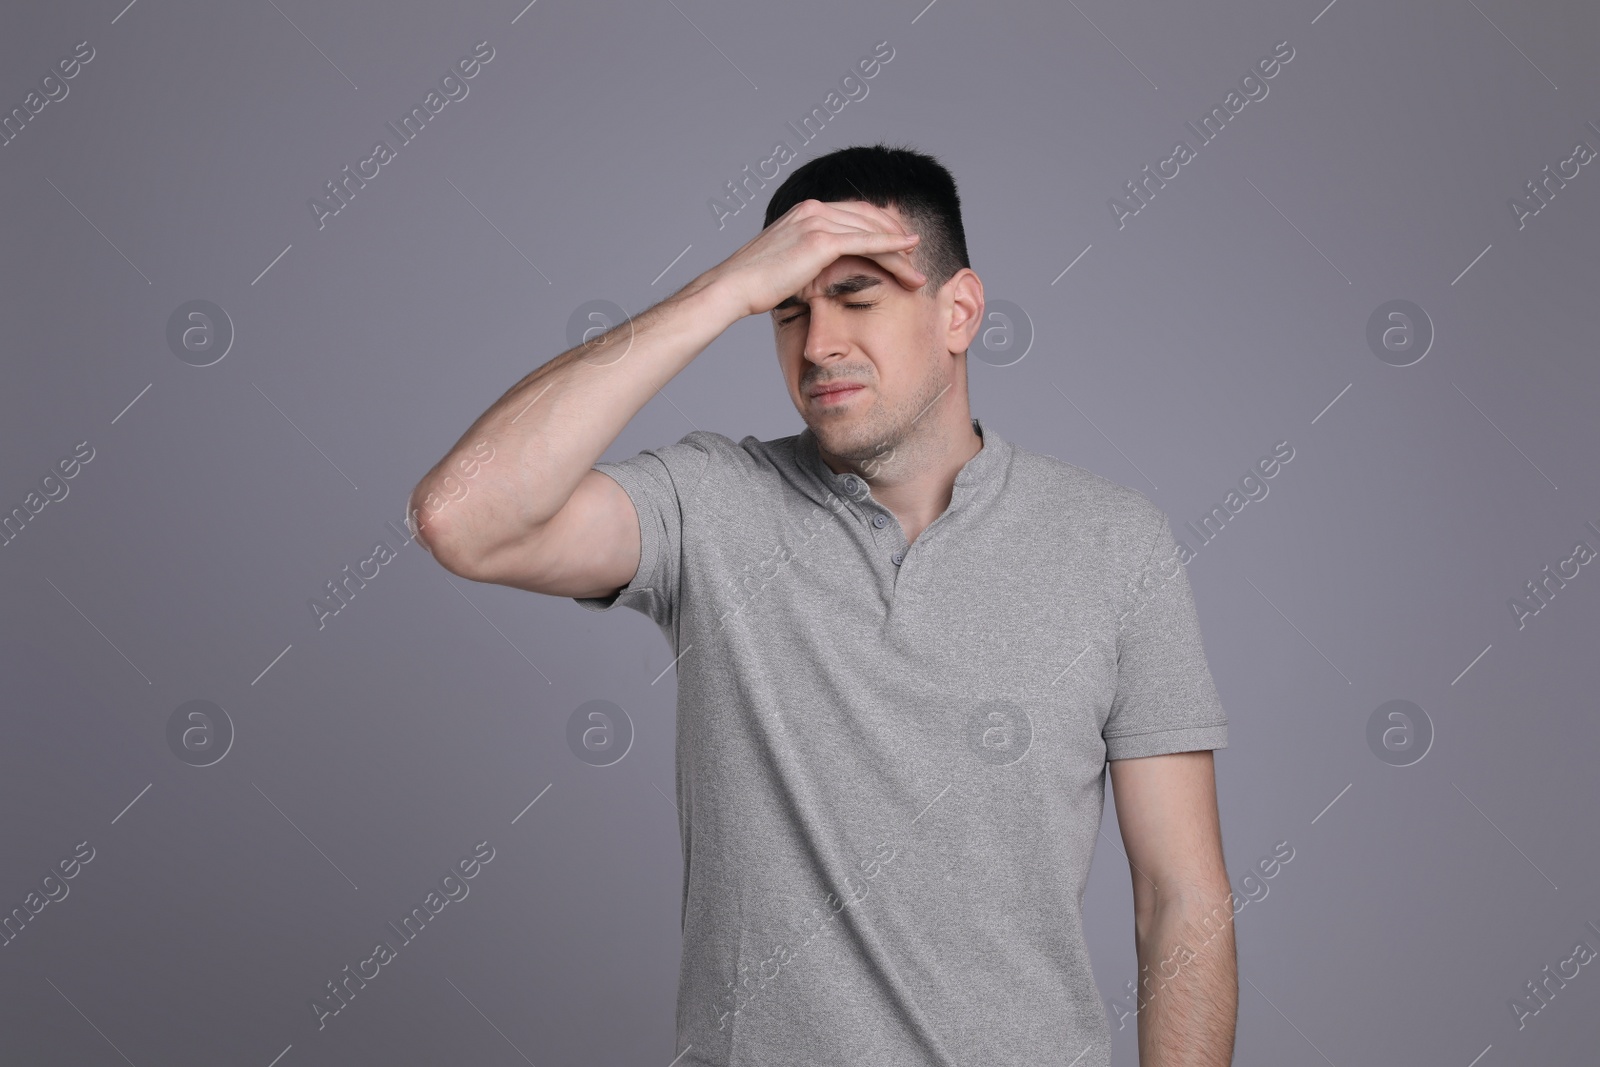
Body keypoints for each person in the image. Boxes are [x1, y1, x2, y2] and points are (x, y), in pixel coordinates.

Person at [409, 142, 1237, 1067]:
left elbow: (1179, 897)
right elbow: (462, 517)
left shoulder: (1115, 543)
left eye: (857, 297)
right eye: (788, 309)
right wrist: (723, 291)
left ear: (958, 312)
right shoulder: (711, 504)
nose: (818, 344)